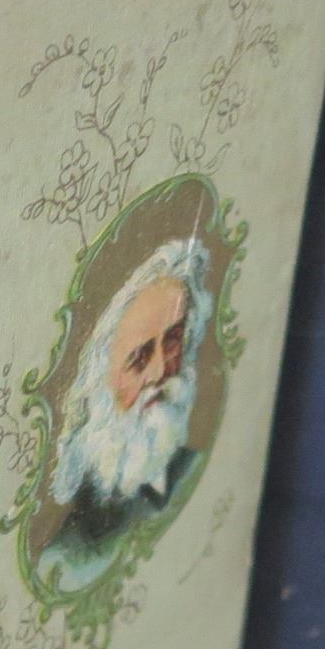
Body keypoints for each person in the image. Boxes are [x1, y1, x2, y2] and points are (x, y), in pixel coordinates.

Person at [40, 236, 213, 589]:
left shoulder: (195, 469)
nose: (160, 371)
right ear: (98, 386)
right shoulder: (67, 555)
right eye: (138, 358)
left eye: (173, 340)